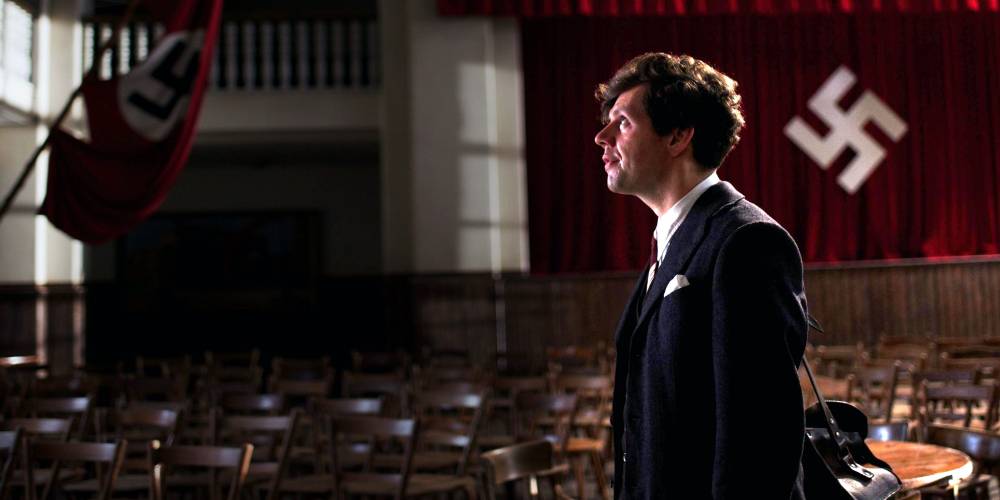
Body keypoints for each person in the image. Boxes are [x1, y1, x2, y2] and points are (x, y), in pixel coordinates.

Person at [595, 53, 808, 498]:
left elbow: (760, 443)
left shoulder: (747, 241)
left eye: (623, 123)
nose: (602, 137)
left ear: (678, 136)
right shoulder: (672, 238)